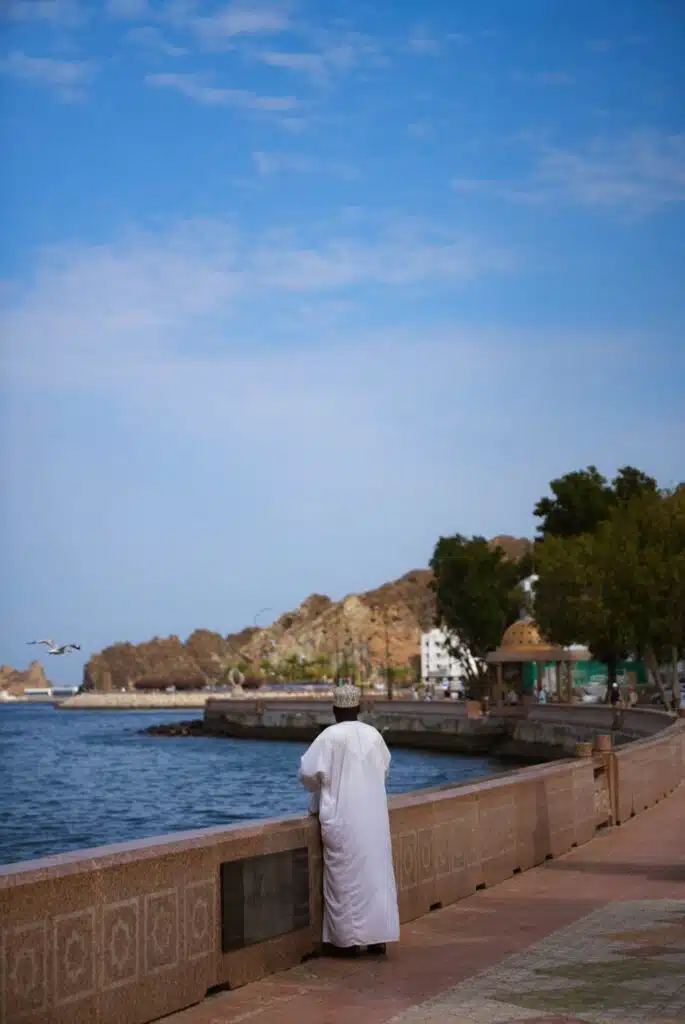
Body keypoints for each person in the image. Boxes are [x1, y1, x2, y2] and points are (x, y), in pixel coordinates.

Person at [298, 683, 400, 958]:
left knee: (344, 879)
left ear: (335, 710)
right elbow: (385, 769)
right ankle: (378, 938)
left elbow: (307, 773)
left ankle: (348, 943)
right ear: (358, 708)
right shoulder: (374, 735)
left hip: (343, 817)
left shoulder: (329, 737)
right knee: (375, 877)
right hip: (374, 818)